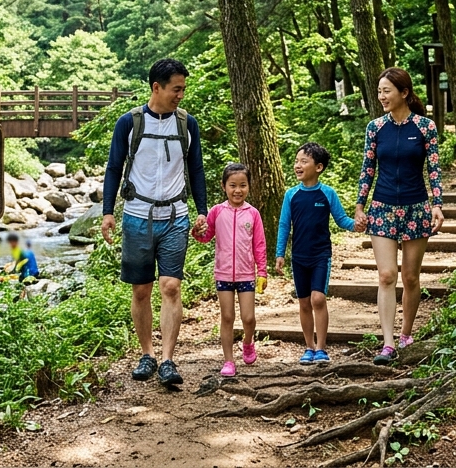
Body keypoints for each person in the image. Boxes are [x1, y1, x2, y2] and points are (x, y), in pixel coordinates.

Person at [101, 58, 207, 388]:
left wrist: (202, 209)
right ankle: (146, 353)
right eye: (176, 89)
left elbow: (197, 169)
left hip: (175, 216)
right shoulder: (128, 123)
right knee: (142, 289)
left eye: (183, 89)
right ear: (156, 87)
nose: (180, 95)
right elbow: (113, 169)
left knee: (171, 287)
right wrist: (107, 212)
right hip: (136, 217)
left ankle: (168, 359)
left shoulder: (187, 124)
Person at [355, 68, 444, 365]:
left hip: (416, 208)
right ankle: (388, 344)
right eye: (379, 91)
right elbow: (368, 169)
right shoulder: (375, 128)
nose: (381, 96)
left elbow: (433, 169)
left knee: (410, 277)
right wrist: (360, 204)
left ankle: (406, 333)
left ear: (403, 93)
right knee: (386, 275)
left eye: (386, 91)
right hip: (381, 208)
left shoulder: (425, 127)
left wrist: (437, 204)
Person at [275, 142, 360, 364]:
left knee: (318, 298)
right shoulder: (291, 195)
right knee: (304, 302)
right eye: (296, 161)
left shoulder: (327, 193)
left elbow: (341, 220)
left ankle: (321, 348)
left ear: (319, 167)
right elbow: (285, 225)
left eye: (304, 161)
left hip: (321, 255)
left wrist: (358, 225)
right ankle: (309, 347)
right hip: (299, 257)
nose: (297, 165)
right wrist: (280, 253)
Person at [193, 163, 267, 377]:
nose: (238, 190)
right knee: (227, 316)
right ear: (224, 186)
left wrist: (262, 271)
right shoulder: (217, 211)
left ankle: (248, 342)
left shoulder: (253, 214)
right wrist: (197, 232)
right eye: (232, 185)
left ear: (249, 187)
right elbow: (206, 236)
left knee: (248, 318)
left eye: (243, 185)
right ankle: (228, 361)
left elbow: (259, 244)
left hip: (246, 274)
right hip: (223, 273)